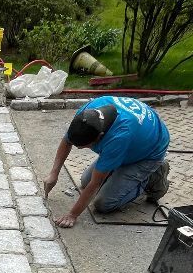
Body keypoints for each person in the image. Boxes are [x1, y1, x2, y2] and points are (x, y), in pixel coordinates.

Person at [44, 96, 170, 228]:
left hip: (149, 153)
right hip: (135, 139)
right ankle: (117, 166)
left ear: (100, 135)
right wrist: (54, 174)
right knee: (85, 181)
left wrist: (72, 215)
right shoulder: (87, 113)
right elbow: (67, 141)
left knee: (103, 204)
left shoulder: (119, 137)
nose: (80, 148)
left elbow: (95, 184)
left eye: (85, 146)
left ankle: (153, 177)